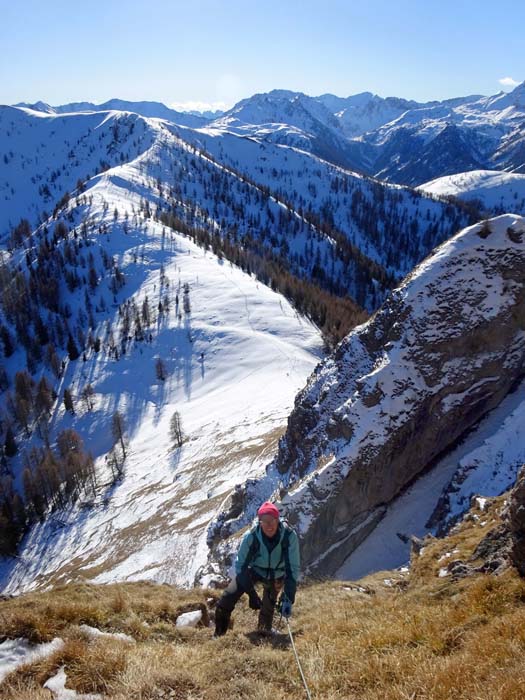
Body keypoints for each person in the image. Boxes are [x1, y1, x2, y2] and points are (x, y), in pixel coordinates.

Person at [214, 501, 300, 636]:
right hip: (255, 570)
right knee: (227, 598)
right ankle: (219, 635)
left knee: (268, 607)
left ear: (277, 520)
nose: (269, 525)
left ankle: (263, 633)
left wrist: (288, 597)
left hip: (277, 573)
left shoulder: (289, 536)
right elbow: (241, 566)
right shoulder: (251, 536)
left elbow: (292, 568)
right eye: (264, 521)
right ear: (259, 522)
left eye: (272, 520)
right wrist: (251, 594)